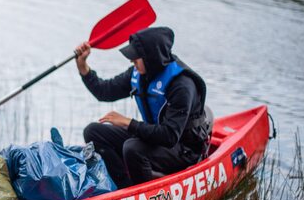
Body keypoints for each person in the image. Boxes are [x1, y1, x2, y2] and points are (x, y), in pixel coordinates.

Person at [75, 26, 210, 189]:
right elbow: (105, 91)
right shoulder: (139, 73)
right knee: (93, 131)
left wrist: (128, 123)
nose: (132, 61)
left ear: (151, 57)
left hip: (184, 150)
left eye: (135, 58)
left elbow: (169, 136)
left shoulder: (181, 85)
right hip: (156, 139)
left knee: (132, 148)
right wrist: (83, 67)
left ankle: (145, 194)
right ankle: (123, 187)